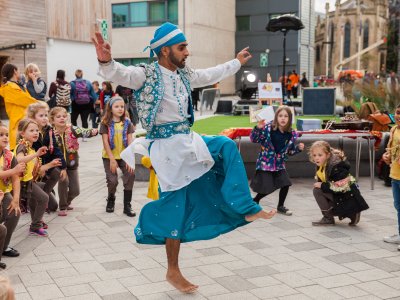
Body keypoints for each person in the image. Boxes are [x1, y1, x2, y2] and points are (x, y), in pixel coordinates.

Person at [93, 21, 276, 293]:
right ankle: (173, 269)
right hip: (167, 149)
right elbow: (119, 73)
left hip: (188, 140)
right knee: (174, 207)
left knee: (226, 145)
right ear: (165, 50)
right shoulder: (145, 74)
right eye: (182, 47)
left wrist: (236, 62)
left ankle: (244, 206)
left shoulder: (183, 74)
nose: (187, 52)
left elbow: (209, 73)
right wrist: (105, 60)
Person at [250, 106, 304, 215]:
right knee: (268, 187)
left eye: (286, 116)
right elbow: (254, 139)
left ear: (290, 119)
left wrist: (298, 149)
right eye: (280, 116)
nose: (283, 118)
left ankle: (280, 206)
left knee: (285, 183)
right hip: (265, 163)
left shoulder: (292, 134)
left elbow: (290, 151)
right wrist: (258, 128)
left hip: (279, 164)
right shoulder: (267, 128)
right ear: (276, 117)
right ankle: (255, 200)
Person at [15, 119, 62, 236]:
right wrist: (36, 154)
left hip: (30, 181)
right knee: (44, 198)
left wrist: (51, 164)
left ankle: (36, 221)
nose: (35, 133)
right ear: (22, 133)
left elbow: (36, 169)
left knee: (40, 192)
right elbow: (18, 159)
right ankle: (36, 225)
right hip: (22, 183)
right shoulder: (22, 146)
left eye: (37, 130)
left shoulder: (30, 148)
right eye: (31, 130)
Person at [50, 107, 98, 216]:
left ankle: (67, 201)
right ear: (52, 120)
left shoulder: (72, 129)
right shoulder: (50, 133)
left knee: (76, 190)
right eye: (58, 117)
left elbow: (84, 131)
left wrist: (93, 131)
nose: (62, 118)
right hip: (58, 165)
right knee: (64, 182)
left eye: (64, 116)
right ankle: (62, 206)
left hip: (72, 164)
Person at [309, 141, 369, 226]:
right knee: (319, 190)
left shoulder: (336, 167)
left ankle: (330, 217)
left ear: (328, 155)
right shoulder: (322, 165)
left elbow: (341, 187)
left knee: (317, 190)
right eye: (314, 155)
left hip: (347, 196)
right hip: (341, 195)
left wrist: (322, 185)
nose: (316, 158)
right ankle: (352, 214)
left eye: (320, 155)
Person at [26, 102, 67, 212]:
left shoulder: (48, 130)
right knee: (43, 199)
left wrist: (63, 167)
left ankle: (43, 197)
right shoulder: (29, 132)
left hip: (44, 167)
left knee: (53, 206)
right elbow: (29, 158)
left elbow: (56, 149)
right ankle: (31, 201)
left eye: (46, 115)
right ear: (32, 117)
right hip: (31, 173)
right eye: (41, 115)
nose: (45, 118)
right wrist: (41, 168)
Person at [99, 96, 135, 217]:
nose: (120, 109)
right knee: (112, 181)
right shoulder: (105, 123)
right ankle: (111, 199)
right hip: (109, 157)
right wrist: (112, 160)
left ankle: (127, 205)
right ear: (110, 108)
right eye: (117, 106)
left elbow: (130, 141)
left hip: (124, 156)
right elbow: (105, 142)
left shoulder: (127, 122)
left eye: (122, 106)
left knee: (130, 174)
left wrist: (130, 159)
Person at [0, 121, 26, 259]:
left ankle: (4, 246)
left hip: (4, 193)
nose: (5, 137)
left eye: (6, 135)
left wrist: (16, 199)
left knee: (14, 212)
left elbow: (16, 178)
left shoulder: (9, 156)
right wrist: (12, 171)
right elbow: (13, 172)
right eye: (0, 135)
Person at [0, 64, 37, 150]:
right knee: (19, 153)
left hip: (25, 123)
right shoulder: (9, 87)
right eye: (19, 70)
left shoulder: (18, 86)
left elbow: (29, 99)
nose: (20, 72)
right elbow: (26, 100)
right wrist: (41, 104)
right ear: (14, 71)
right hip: (18, 125)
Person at [383, 104, 400, 246]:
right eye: (398, 112)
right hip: (395, 175)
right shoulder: (393, 130)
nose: (398, 116)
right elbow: (391, 150)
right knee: (398, 206)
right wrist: (387, 156)